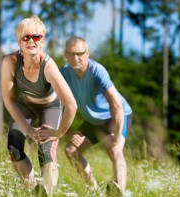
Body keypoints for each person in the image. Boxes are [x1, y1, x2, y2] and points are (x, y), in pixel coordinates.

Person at [38, 36, 132, 195]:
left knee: (115, 149)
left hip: (116, 116)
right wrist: (67, 132)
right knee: (71, 150)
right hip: (93, 120)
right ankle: (94, 190)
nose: (76, 58)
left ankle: (118, 189)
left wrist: (116, 136)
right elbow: (55, 106)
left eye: (80, 53)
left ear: (87, 53)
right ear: (65, 55)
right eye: (71, 54)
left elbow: (115, 105)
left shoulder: (97, 71)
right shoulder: (63, 74)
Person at [1, 16, 77, 195]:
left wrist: (58, 133)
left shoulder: (48, 67)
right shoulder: (10, 62)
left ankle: (47, 192)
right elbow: (8, 99)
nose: (31, 41)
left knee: (46, 152)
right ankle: (33, 189)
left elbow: (71, 105)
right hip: (25, 104)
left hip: (49, 107)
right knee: (13, 148)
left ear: (42, 40)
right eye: (25, 37)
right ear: (19, 41)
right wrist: (28, 129)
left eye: (36, 37)